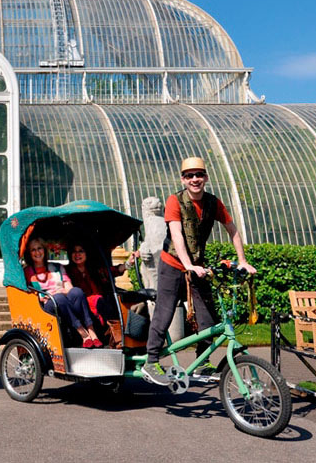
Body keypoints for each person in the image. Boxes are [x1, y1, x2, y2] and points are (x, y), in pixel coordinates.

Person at [141, 157, 256, 385]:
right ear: (183, 179)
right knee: (164, 313)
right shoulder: (175, 200)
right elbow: (177, 235)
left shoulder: (214, 203)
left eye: (199, 175)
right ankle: (151, 361)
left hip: (197, 267)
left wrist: (242, 260)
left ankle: (202, 363)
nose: (195, 179)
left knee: (209, 319)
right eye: (189, 175)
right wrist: (188, 265)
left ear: (206, 177)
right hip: (173, 264)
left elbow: (232, 230)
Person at [23, 237, 102, 348]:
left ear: (44, 250)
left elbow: (69, 288)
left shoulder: (56, 267)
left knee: (77, 292)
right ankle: (83, 333)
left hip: (63, 298)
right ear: (29, 254)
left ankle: (91, 330)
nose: (37, 252)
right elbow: (30, 295)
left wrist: (62, 292)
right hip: (45, 305)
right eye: (33, 250)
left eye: (39, 248)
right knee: (58, 298)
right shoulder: (27, 272)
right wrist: (50, 296)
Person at [66, 241, 136, 326]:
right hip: (82, 308)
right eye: (74, 251)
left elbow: (113, 271)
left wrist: (128, 263)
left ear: (86, 254)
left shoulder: (94, 270)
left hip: (101, 307)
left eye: (80, 251)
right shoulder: (68, 272)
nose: (77, 254)